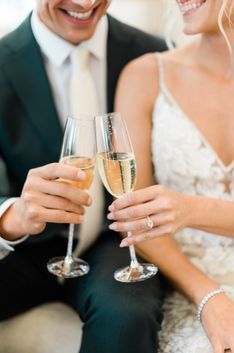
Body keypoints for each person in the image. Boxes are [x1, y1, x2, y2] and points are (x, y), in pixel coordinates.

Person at [0, 1, 168, 352]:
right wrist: (14, 217)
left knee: (126, 316)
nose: (85, 3)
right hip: (21, 253)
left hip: (113, 244)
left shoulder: (153, 54)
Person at [109, 0, 234, 352]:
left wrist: (190, 210)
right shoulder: (145, 75)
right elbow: (134, 217)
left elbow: (183, 210)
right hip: (187, 282)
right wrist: (210, 298)